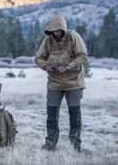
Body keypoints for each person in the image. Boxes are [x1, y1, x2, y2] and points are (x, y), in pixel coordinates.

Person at [35, 16, 88, 152]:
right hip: (54, 84)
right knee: (51, 115)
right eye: (53, 31)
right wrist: (46, 66)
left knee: (75, 116)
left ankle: (76, 146)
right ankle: (50, 144)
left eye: (58, 31)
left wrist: (68, 67)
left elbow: (83, 56)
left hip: (74, 83)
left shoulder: (73, 37)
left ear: (63, 29)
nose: (56, 34)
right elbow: (39, 58)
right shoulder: (47, 41)